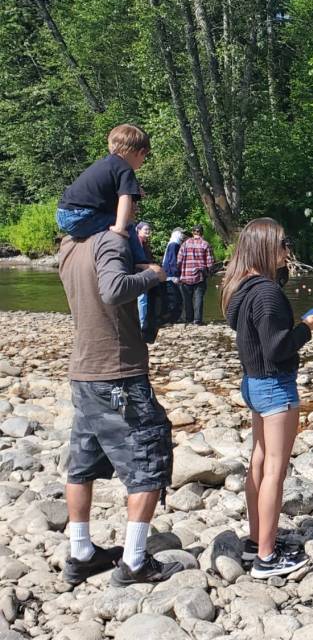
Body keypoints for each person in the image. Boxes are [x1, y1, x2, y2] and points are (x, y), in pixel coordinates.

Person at [57, 223, 182, 586]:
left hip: (83, 371)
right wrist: (154, 273)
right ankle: (134, 561)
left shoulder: (70, 244)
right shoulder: (111, 240)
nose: (137, 205)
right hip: (119, 373)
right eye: (132, 198)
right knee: (149, 455)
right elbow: (113, 289)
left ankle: (81, 554)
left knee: (83, 460)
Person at [222, 218, 313, 578]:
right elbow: (278, 347)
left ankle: (255, 541)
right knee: (274, 472)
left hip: (253, 383)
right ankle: (267, 556)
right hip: (274, 386)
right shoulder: (267, 293)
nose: (288, 251)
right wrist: (306, 330)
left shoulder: (243, 288)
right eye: (284, 244)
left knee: (259, 462)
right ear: (268, 247)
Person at [56, 124, 151, 265]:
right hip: (81, 217)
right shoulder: (125, 169)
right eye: (145, 157)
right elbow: (125, 198)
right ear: (139, 152)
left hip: (63, 214)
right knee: (129, 226)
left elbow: (103, 189)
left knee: (113, 215)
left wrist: (135, 188)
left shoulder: (106, 163)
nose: (143, 162)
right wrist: (120, 227)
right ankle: (141, 263)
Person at [178, 225, 214, 325]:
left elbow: (179, 260)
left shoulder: (185, 244)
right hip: (200, 275)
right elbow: (210, 263)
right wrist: (210, 273)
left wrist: (179, 272)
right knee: (199, 298)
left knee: (187, 299)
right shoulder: (205, 244)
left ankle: (189, 318)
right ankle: (197, 320)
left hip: (186, 275)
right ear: (202, 233)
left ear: (193, 232)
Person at [162, 228, 185, 322]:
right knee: (174, 298)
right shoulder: (174, 244)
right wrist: (176, 275)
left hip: (169, 274)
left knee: (174, 297)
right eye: (181, 233)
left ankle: (173, 318)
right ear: (177, 234)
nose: (182, 235)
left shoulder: (172, 243)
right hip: (171, 275)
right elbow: (172, 261)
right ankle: (172, 318)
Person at [136, 221, 154, 327]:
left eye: (149, 229)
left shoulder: (144, 242)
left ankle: (142, 321)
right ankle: (142, 323)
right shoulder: (138, 242)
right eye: (145, 229)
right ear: (139, 230)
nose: (148, 231)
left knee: (142, 298)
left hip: (144, 273)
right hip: (139, 274)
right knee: (142, 299)